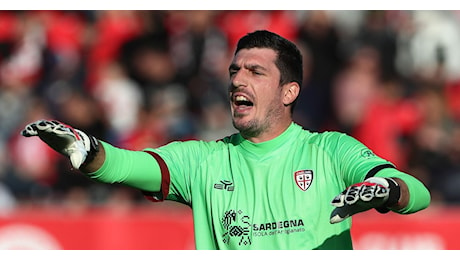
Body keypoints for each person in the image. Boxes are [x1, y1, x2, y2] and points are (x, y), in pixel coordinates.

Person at [21, 30, 431, 250]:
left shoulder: (329, 150)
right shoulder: (203, 161)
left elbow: (417, 193)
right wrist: (86, 151)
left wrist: (384, 189)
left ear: (289, 92)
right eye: (235, 70)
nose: (237, 79)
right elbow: (121, 166)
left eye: (255, 72)